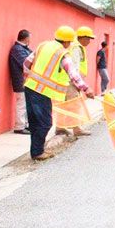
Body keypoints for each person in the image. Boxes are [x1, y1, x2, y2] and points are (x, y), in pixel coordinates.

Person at [24, 26, 94, 160]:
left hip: (30, 87)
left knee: (34, 122)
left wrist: (28, 77)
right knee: (45, 123)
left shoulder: (43, 45)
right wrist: (86, 89)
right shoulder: (62, 53)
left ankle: (36, 151)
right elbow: (73, 74)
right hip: (42, 91)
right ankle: (37, 152)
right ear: (67, 42)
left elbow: (26, 62)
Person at [64, 26, 96, 137]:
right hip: (71, 81)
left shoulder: (74, 46)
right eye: (88, 39)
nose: (89, 41)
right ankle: (76, 129)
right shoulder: (76, 48)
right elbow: (74, 68)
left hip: (67, 80)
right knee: (74, 105)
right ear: (82, 37)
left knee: (65, 104)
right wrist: (81, 85)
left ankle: (61, 128)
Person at [8, 29, 32, 134]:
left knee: (25, 103)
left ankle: (24, 125)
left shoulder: (22, 48)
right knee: (21, 103)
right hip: (20, 81)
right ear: (26, 38)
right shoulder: (17, 49)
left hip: (24, 80)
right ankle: (19, 127)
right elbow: (25, 63)